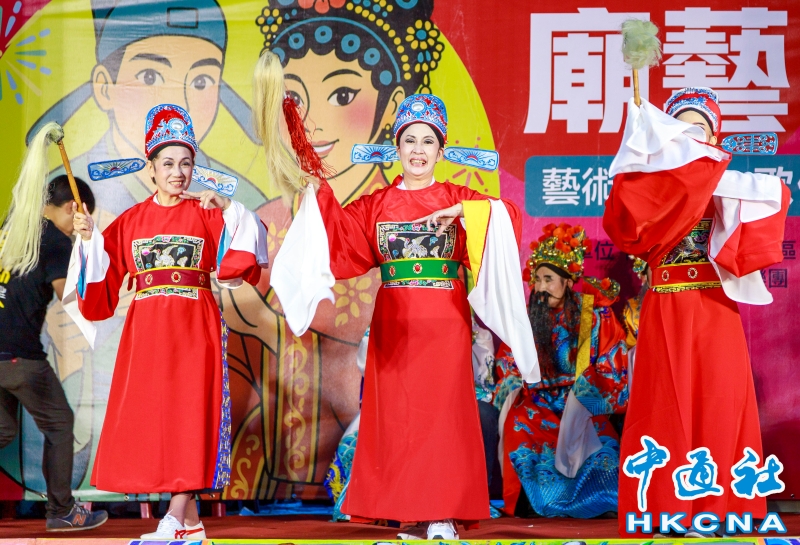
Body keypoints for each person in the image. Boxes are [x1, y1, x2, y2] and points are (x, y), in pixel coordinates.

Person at [269, 93, 539, 540]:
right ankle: (410, 511)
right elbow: (340, 239)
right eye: (409, 140)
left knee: (442, 416)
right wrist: (319, 193)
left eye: (427, 141)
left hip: (445, 324)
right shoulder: (376, 205)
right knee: (400, 417)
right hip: (394, 324)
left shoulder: (459, 197)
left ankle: (442, 512)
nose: (418, 150)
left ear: (441, 150)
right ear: (396, 146)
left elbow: (508, 218)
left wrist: (466, 213)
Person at [221, 0, 448, 501]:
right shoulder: (356, 207)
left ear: (390, 107)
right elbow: (336, 252)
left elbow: (496, 226)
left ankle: (436, 504)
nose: (318, 121)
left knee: (431, 420)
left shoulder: (454, 201)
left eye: (343, 94)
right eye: (298, 101)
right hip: (325, 389)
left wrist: (468, 214)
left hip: (427, 340)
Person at [65, 104, 268, 540]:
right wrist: (87, 239)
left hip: (196, 330)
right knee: (161, 423)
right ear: (152, 168)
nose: (178, 173)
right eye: (169, 163)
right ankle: (192, 525)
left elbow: (246, 253)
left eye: (186, 164)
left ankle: (173, 519)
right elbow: (99, 287)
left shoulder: (206, 212)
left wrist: (228, 206)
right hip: (147, 336)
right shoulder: (131, 221)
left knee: (190, 417)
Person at [604, 87, 790, 537]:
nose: (691, 136)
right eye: (680, 129)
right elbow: (624, 222)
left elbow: (774, 197)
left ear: (714, 137)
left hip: (714, 309)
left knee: (718, 403)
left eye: (700, 129)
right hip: (666, 308)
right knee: (664, 407)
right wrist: (641, 153)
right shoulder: (651, 186)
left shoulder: (728, 182)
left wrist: (709, 176)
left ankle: (719, 508)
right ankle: (665, 509)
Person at [493, 224, 629, 519]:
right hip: (536, 405)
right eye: (537, 279)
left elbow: (613, 364)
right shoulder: (526, 319)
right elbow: (507, 363)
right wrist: (515, 384)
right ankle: (536, 505)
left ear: (568, 281)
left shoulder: (593, 315)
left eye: (549, 280)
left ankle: (595, 504)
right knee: (518, 424)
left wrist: (585, 395)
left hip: (581, 404)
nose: (541, 288)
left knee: (603, 449)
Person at [0, 164, 107, 531]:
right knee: (60, 425)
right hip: (19, 357)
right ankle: (62, 511)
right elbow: (72, 298)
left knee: (3, 430)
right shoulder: (56, 240)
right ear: (73, 208)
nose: (75, 228)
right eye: (78, 220)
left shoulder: (10, 227)